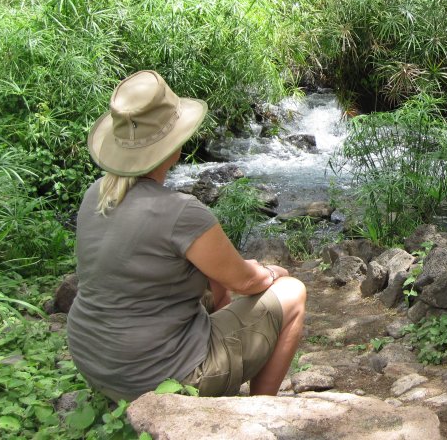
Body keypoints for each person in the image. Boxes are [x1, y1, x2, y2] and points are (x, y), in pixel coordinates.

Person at [67, 70, 306, 402]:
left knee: (210, 278)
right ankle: (260, 411)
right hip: (160, 376)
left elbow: (216, 279)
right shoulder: (181, 213)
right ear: (174, 145)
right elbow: (247, 283)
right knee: (292, 292)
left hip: (96, 363)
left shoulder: (97, 194)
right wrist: (271, 272)